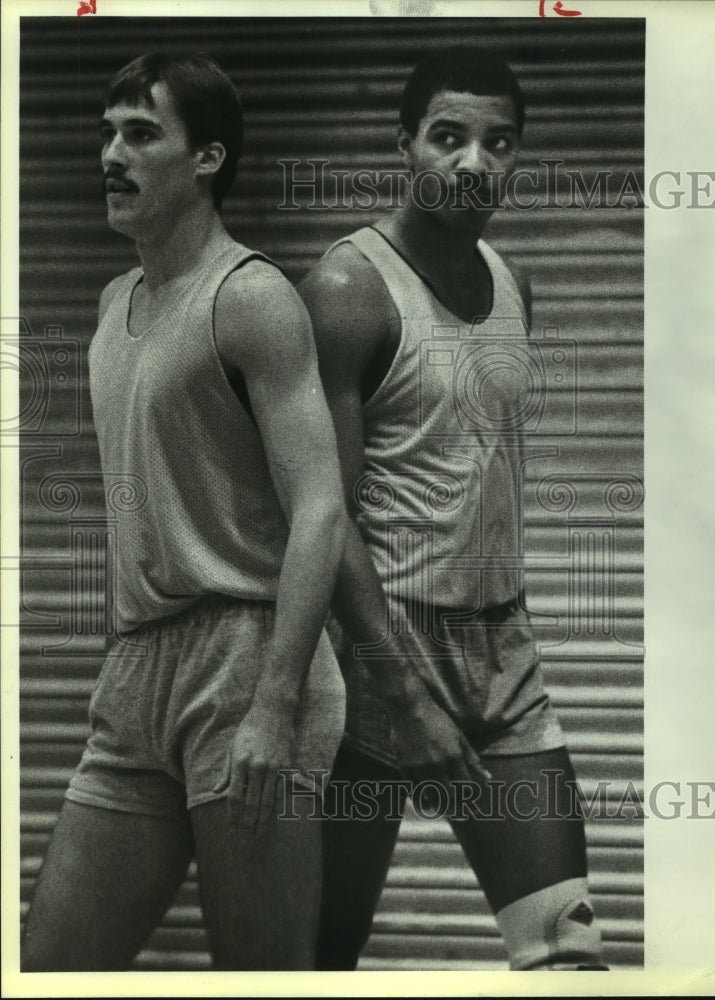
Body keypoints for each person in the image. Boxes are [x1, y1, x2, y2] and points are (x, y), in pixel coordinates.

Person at [21, 52, 347, 971]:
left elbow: (321, 510)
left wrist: (276, 706)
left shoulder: (250, 298)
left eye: (140, 132)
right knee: (51, 970)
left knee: (263, 978)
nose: (111, 154)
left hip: (249, 664)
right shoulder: (112, 302)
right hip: (137, 670)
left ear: (206, 159)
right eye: (106, 133)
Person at [299, 46, 607, 971]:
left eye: (499, 142)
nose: (474, 163)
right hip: (373, 658)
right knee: (318, 956)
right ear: (406, 145)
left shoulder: (514, 282)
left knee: (566, 951)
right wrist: (400, 689)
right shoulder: (350, 289)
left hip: (500, 657)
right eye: (449, 137)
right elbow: (326, 513)